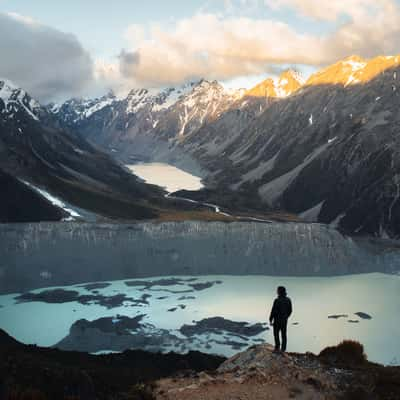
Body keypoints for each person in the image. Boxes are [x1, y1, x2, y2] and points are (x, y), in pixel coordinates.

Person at [269, 286, 292, 353]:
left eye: (277, 290)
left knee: (276, 334)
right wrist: (286, 317)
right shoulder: (288, 300)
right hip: (284, 320)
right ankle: (283, 349)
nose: (276, 292)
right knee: (284, 334)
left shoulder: (277, 300)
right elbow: (290, 310)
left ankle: (277, 348)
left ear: (279, 292)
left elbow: (273, 311)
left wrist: (270, 319)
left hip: (277, 320)